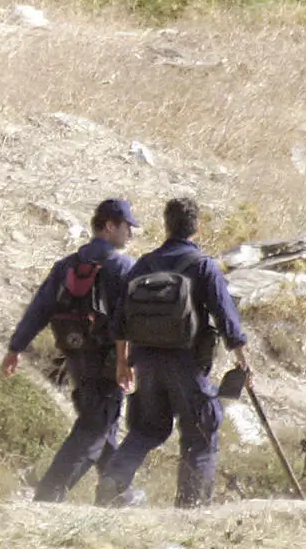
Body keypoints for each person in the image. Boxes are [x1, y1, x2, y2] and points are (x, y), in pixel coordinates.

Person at [95, 196, 252, 509]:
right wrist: (244, 363)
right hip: (187, 365)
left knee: (145, 430)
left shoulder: (144, 264)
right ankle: (191, 508)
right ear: (196, 228)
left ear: (167, 226)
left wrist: (123, 363)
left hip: (146, 364)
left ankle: (113, 481)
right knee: (201, 435)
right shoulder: (202, 266)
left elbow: (119, 321)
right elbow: (226, 319)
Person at [2, 197, 140, 502]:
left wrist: (16, 348)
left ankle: (118, 493)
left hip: (76, 357)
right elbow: (126, 320)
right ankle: (49, 493)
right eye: (126, 226)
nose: (130, 233)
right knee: (95, 427)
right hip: (108, 359)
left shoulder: (67, 266)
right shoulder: (122, 267)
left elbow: (39, 309)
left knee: (102, 423)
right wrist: (124, 360)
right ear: (109, 226)